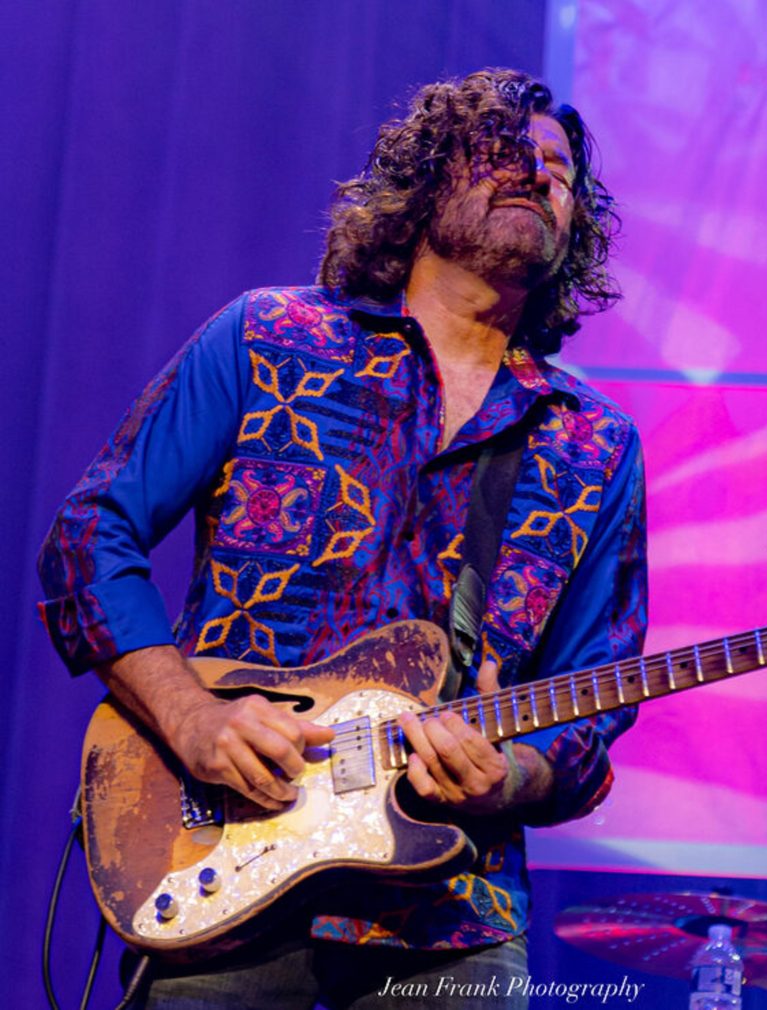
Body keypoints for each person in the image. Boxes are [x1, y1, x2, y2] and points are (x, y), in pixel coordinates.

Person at [37, 68, 647, 1009]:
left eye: (557, 166)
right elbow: (89, 536)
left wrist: (510, 776)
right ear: (423, 182)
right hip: (222, 869)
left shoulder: (595, 443)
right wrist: (192, 719)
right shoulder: (270, 340)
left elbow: (591, 702)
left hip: (455, 917)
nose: (533, 170)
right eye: (499, 149)